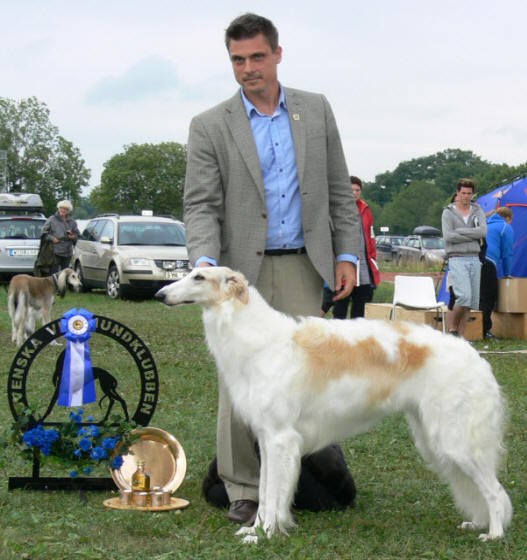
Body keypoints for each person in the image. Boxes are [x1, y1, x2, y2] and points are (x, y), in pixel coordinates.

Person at [183, 13, 361, 524]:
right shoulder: (210, 124)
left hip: (306, 266)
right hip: (238, 277)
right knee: (239, 384)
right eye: (237, 60)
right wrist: (206, 264)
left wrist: (346, 254)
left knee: (307, 378)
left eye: (257, 57)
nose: (247, 69)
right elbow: (200, 205)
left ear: (277, 54)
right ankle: (242, 486)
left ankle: (300, 481)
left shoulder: (316, 109)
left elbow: (336, 193)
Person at [442, 179, 487, 338]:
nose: (466, 196)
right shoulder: (448, 212)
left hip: (474, 258)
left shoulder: (477, 210)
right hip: (457, 257)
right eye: (463, 193)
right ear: (457, 193)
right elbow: (448, 236)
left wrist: (460, 232)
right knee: (463, 296)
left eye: (469, 193)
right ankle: (452, 329)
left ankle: (461, 336)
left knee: (472, 301)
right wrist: (471, 234)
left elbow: (482, 232)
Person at [330, 176, 379, 319]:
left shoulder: (365, 209)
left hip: (363, 265)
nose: (355, 193)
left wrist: (373, 258)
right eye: (351, 190)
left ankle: (357, 338)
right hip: (345, 264)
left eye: (358, 190)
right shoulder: (337, 209)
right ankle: (338, 337)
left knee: (360, 308)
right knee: (340, 307)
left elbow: (370, 236)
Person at [479, 207, 514, 339]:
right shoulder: (505, 227)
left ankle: (473, 328)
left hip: (473, 259)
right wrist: (507, 273)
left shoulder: (484, 223)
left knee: (478, 295)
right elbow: (507, 253)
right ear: (508, 218)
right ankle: (484, 330)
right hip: (488, 261)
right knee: (489, 296)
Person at [42, 200, 80, 273]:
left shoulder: (72, 221)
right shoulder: (52, 219)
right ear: (58, 208)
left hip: (67, 251)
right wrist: (52, 238)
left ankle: (64, 285)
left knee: (65, 273)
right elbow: (44, 233)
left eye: (65, 209)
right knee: (54, 273)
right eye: (61, 208)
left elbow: (77, 235)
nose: (63, 210)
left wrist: (73, 236)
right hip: (55, 251)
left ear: (68, 210)